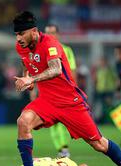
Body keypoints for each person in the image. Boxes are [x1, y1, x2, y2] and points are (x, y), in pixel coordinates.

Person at [13, 11, 121, 166]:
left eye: (21, 33)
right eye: (16, 34)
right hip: (47, 100)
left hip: (70, 102)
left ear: (33, 31)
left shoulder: (50, 44)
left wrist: (31, 78)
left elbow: (55, 69)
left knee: (99, 144)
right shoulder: (21, 47)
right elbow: (26, 62)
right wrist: (27, 78)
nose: (18, 38)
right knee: (23, 122)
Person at [44, 24, 78, 157]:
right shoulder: (42, 50)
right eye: (48, 33)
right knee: (51, 122)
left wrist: (74, 88)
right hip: (48, 91)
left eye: (53, 32)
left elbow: (73, 70)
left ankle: (64, 148)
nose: (50, 35)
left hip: (64, 90)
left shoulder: (66, 50)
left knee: (63, 121)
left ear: (58, 34)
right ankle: (62, 149)